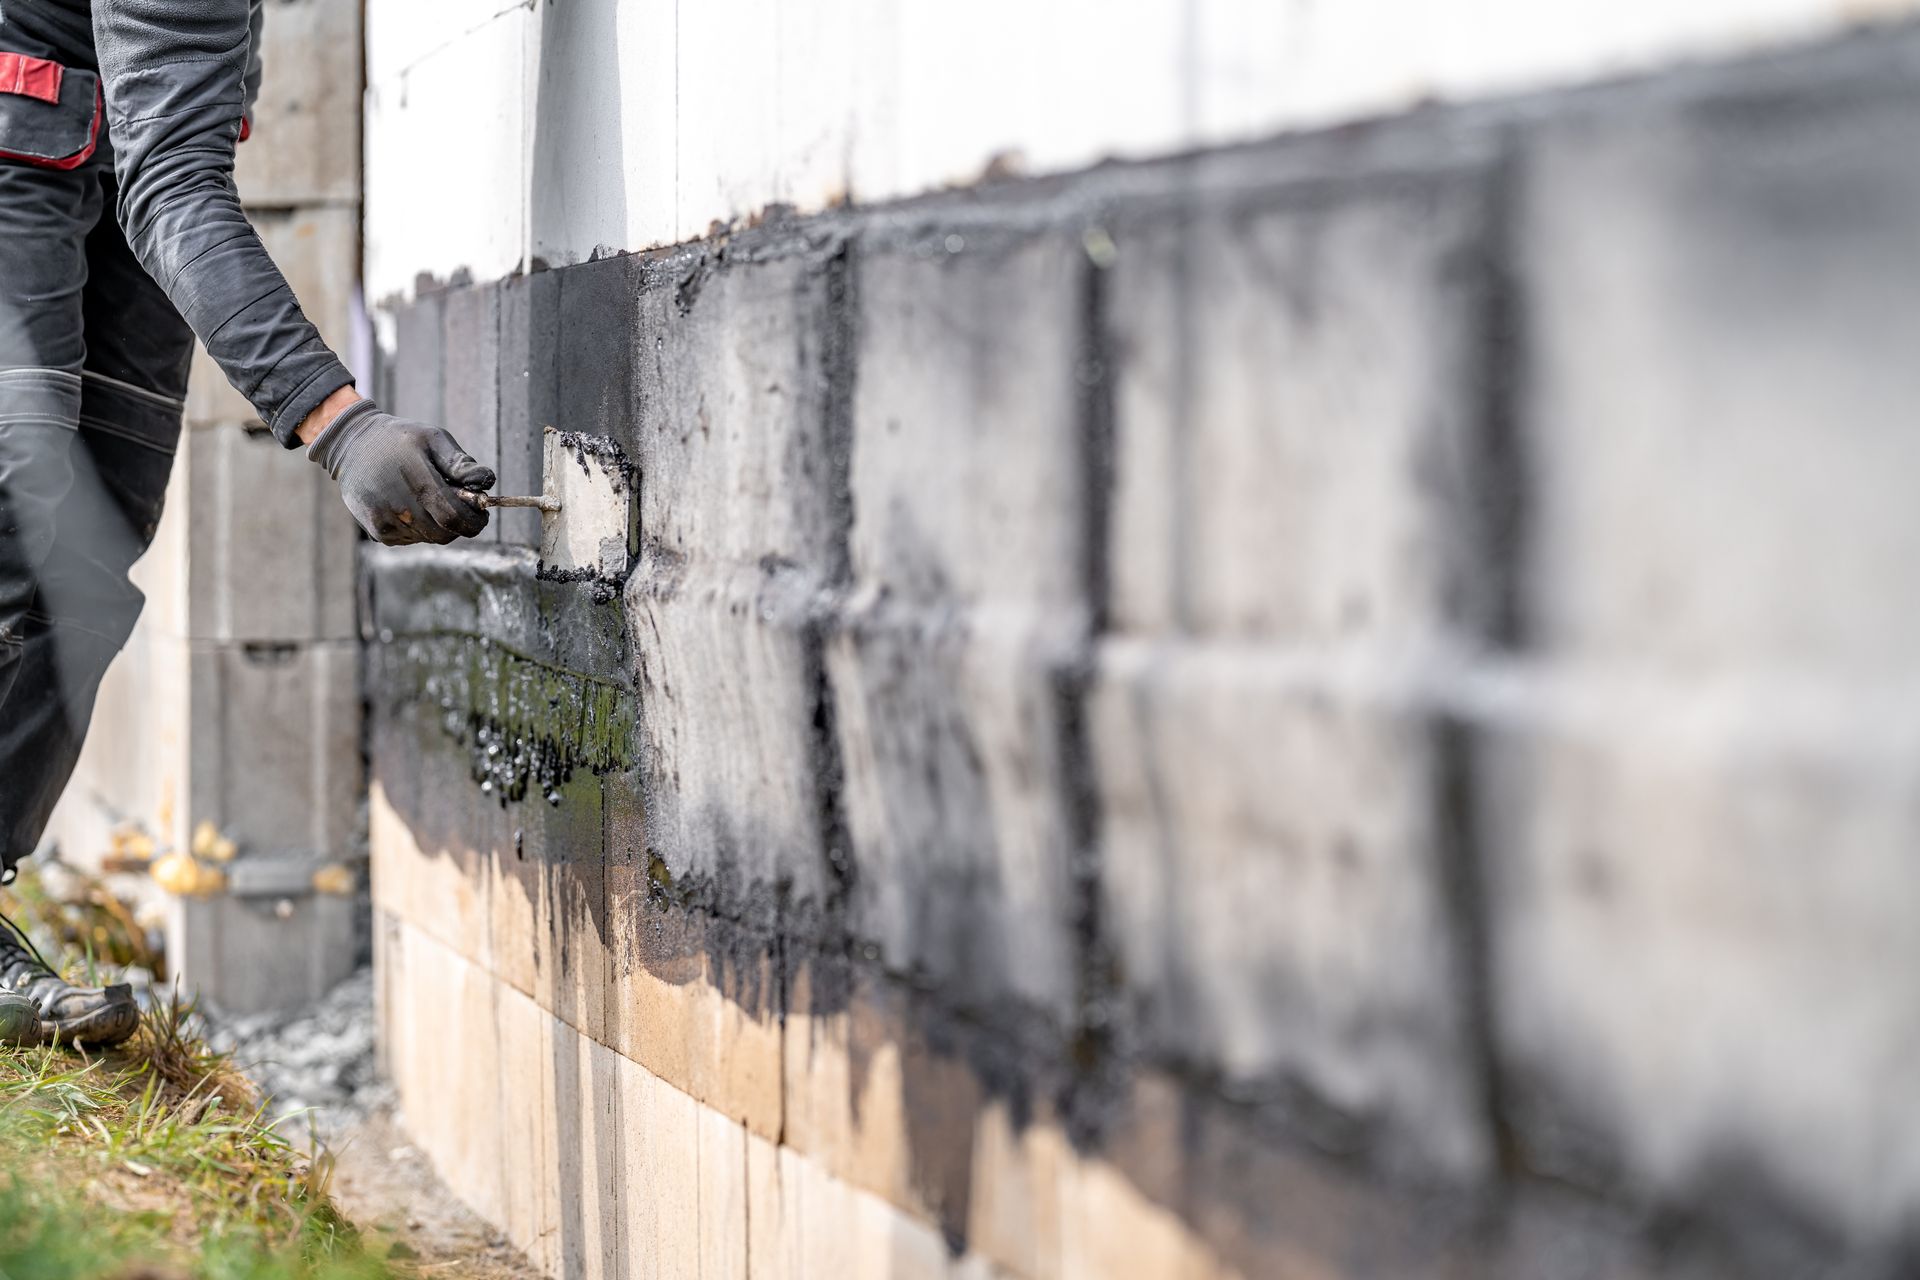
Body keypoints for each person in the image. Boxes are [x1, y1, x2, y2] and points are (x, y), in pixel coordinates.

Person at [0, 0, 495, 1047]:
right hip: (22, 134)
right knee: (18, 516)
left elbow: (170, 163)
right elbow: (176, 186)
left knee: (87, 567)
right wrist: (336, 421)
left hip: (108, 138)